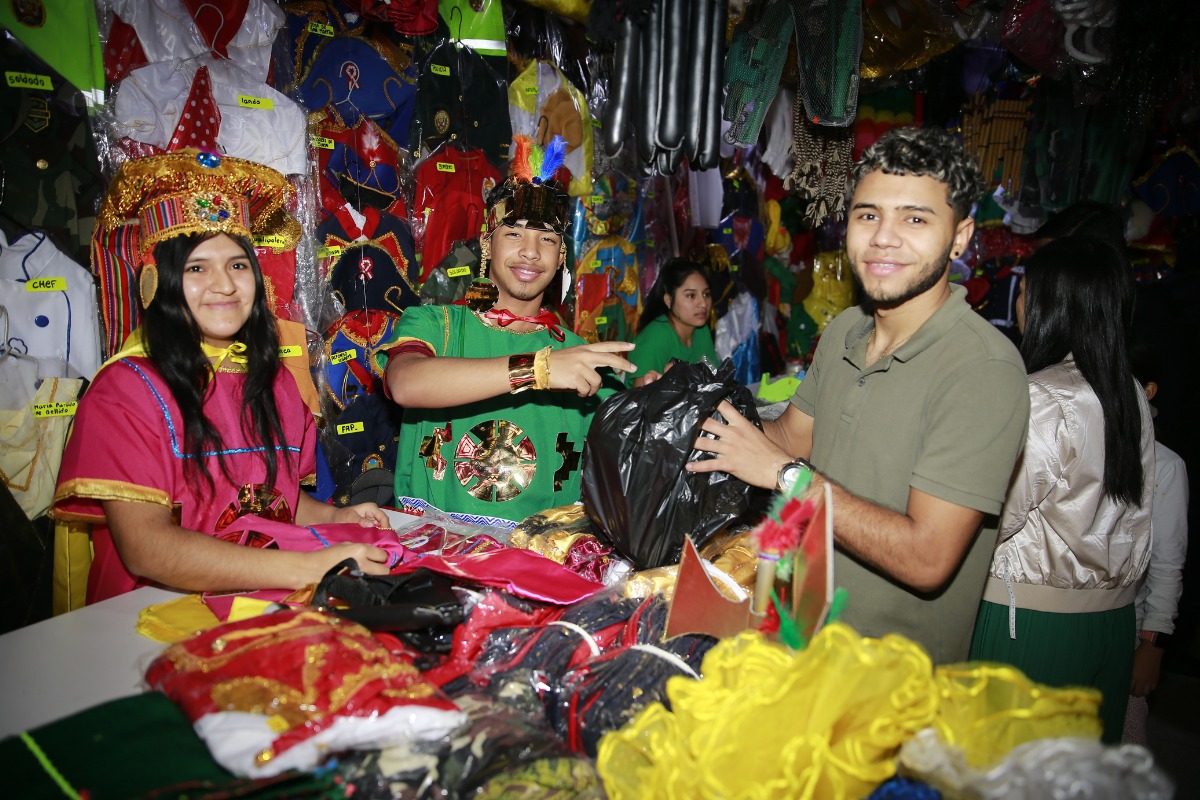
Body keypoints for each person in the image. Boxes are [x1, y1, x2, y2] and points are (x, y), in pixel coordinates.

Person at [687, 126, 1030, 664]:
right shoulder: (847, 327)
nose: (883, 238)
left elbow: (926, 557)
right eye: (868, 215)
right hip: (799, 642)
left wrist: (785, 476)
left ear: (960, 237)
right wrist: (692, 413)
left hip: (892, 682)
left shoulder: (983, 369)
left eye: (914, 219)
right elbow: (790, 438)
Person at [53, 150, 391, 604]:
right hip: (153, 615)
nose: (226, 284)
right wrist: (310, 567)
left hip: (258, 600)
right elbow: (146, 548)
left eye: (237, 264)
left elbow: (273, 501)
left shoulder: (275, 382)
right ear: (156, 280)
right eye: (197, 267)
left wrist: (337, 517)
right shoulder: (126, 390)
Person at [385, 136, 634, 525]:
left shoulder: (579, 356)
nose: (531, 252)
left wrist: (656, 404)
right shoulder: (436, 325)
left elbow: (628, 460)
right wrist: (538, 370)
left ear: (561, 257)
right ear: (488, 242)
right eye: (514, 233)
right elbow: (405, 383)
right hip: (433, 548)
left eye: (547, 239)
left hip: (538, 553)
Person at [970, 236, 1155, 744]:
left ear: (1051, 303)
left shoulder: (1042, 397)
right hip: (1111, 623)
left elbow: (987, 519)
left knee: (1001, 767)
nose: (1020, 303)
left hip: (1031, 622)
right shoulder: (1129, 392)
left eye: (1026, 290)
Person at [1123, 343, 1189, 744]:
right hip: (1083, 622)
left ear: (1148, 391)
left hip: (1129, 630)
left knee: (1123, 743)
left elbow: (1167, 564)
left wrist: (1153, 645)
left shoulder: (1165, 465)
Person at [626, 258, 718, 386]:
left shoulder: (702, 331)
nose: (703, 304)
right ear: (669, 300)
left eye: (706, 294)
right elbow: (640, 396)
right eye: (691, 296)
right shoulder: (654, 339)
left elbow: (715, 381)